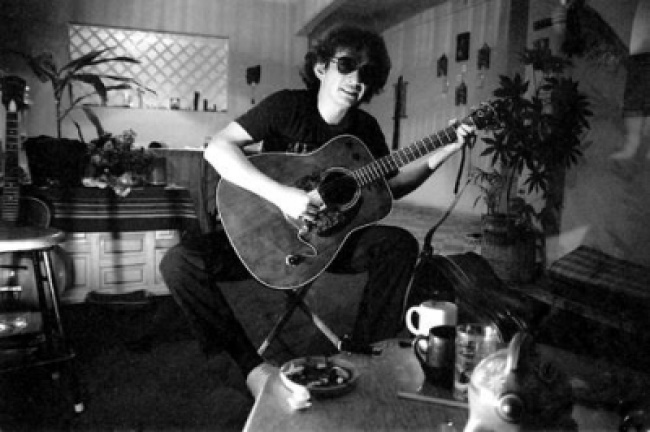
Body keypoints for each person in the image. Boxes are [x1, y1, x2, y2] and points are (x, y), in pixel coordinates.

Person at [160, 24, 474, 399]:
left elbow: (387, 188)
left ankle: (366, 352)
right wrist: (281, 195)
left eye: (367, 73)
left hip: (330, 244)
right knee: (179, 263)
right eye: (346, 65)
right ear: (321, 68)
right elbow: (218, 148)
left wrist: (444, 153)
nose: (356, 80)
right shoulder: (287, 107)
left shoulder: (365, 130)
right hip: (267, 235)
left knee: (399, 244)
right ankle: (251, 368)